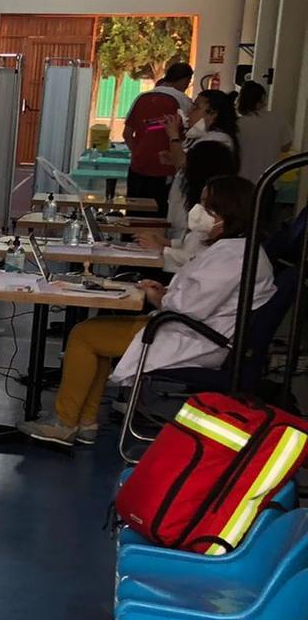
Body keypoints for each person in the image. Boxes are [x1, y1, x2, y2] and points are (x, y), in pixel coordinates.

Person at [20, 175, 274, 448]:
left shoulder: (231, 256)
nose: (197, 212)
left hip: (196, 340)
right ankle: (84, 422)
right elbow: (200, 297)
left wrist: (158, 298)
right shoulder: (236, 250)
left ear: (227, 213)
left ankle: (65, 423)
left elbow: (191, 307)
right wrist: (165, 293)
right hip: (193, 330)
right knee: (96, 335)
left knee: (84, 335)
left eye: (206, 206)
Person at [123, 62, 193, 213]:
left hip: (138, 166)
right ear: (185, 80)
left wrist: (138, 153)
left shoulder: (141, 97)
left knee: (133, 215)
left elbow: (127, 134)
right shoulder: (184, 102)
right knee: (157, 218)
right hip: (166, 169)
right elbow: (190, 135)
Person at [168, 87, 239, 238]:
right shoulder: (203, 138)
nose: (189, 113)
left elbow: (183, 163)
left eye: (196, 107)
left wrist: (173, 135)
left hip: (197, 214)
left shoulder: (216, 140)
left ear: (213, 114)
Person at [235, 79, 290, 186]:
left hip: (242, 180)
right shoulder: (278, 119)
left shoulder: (238, 124)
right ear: (262, 99)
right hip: (269, 180)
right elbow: (286, 146)